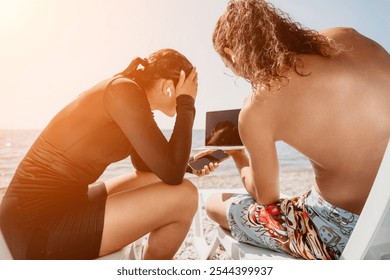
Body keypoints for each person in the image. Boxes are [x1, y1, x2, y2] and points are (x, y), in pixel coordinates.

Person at [206, 0, 390, 259]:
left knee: (214, 204)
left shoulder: (258, 107)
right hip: (386, 217)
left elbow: (266, 199)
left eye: (228, 66)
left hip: (342, 230)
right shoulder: (348, 35)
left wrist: (239, 158)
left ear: (231, 52)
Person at [0, 48, 216, 260]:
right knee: (186, 196)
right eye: (188, 88)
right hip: (34, 227)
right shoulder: (123, 92)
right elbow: (172, 174)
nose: (190, 95)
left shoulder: (130, 95)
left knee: (151, 179)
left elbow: (148, 167)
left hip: (66, 203)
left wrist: (186, 164)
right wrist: (187, 104)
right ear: (169, 87)